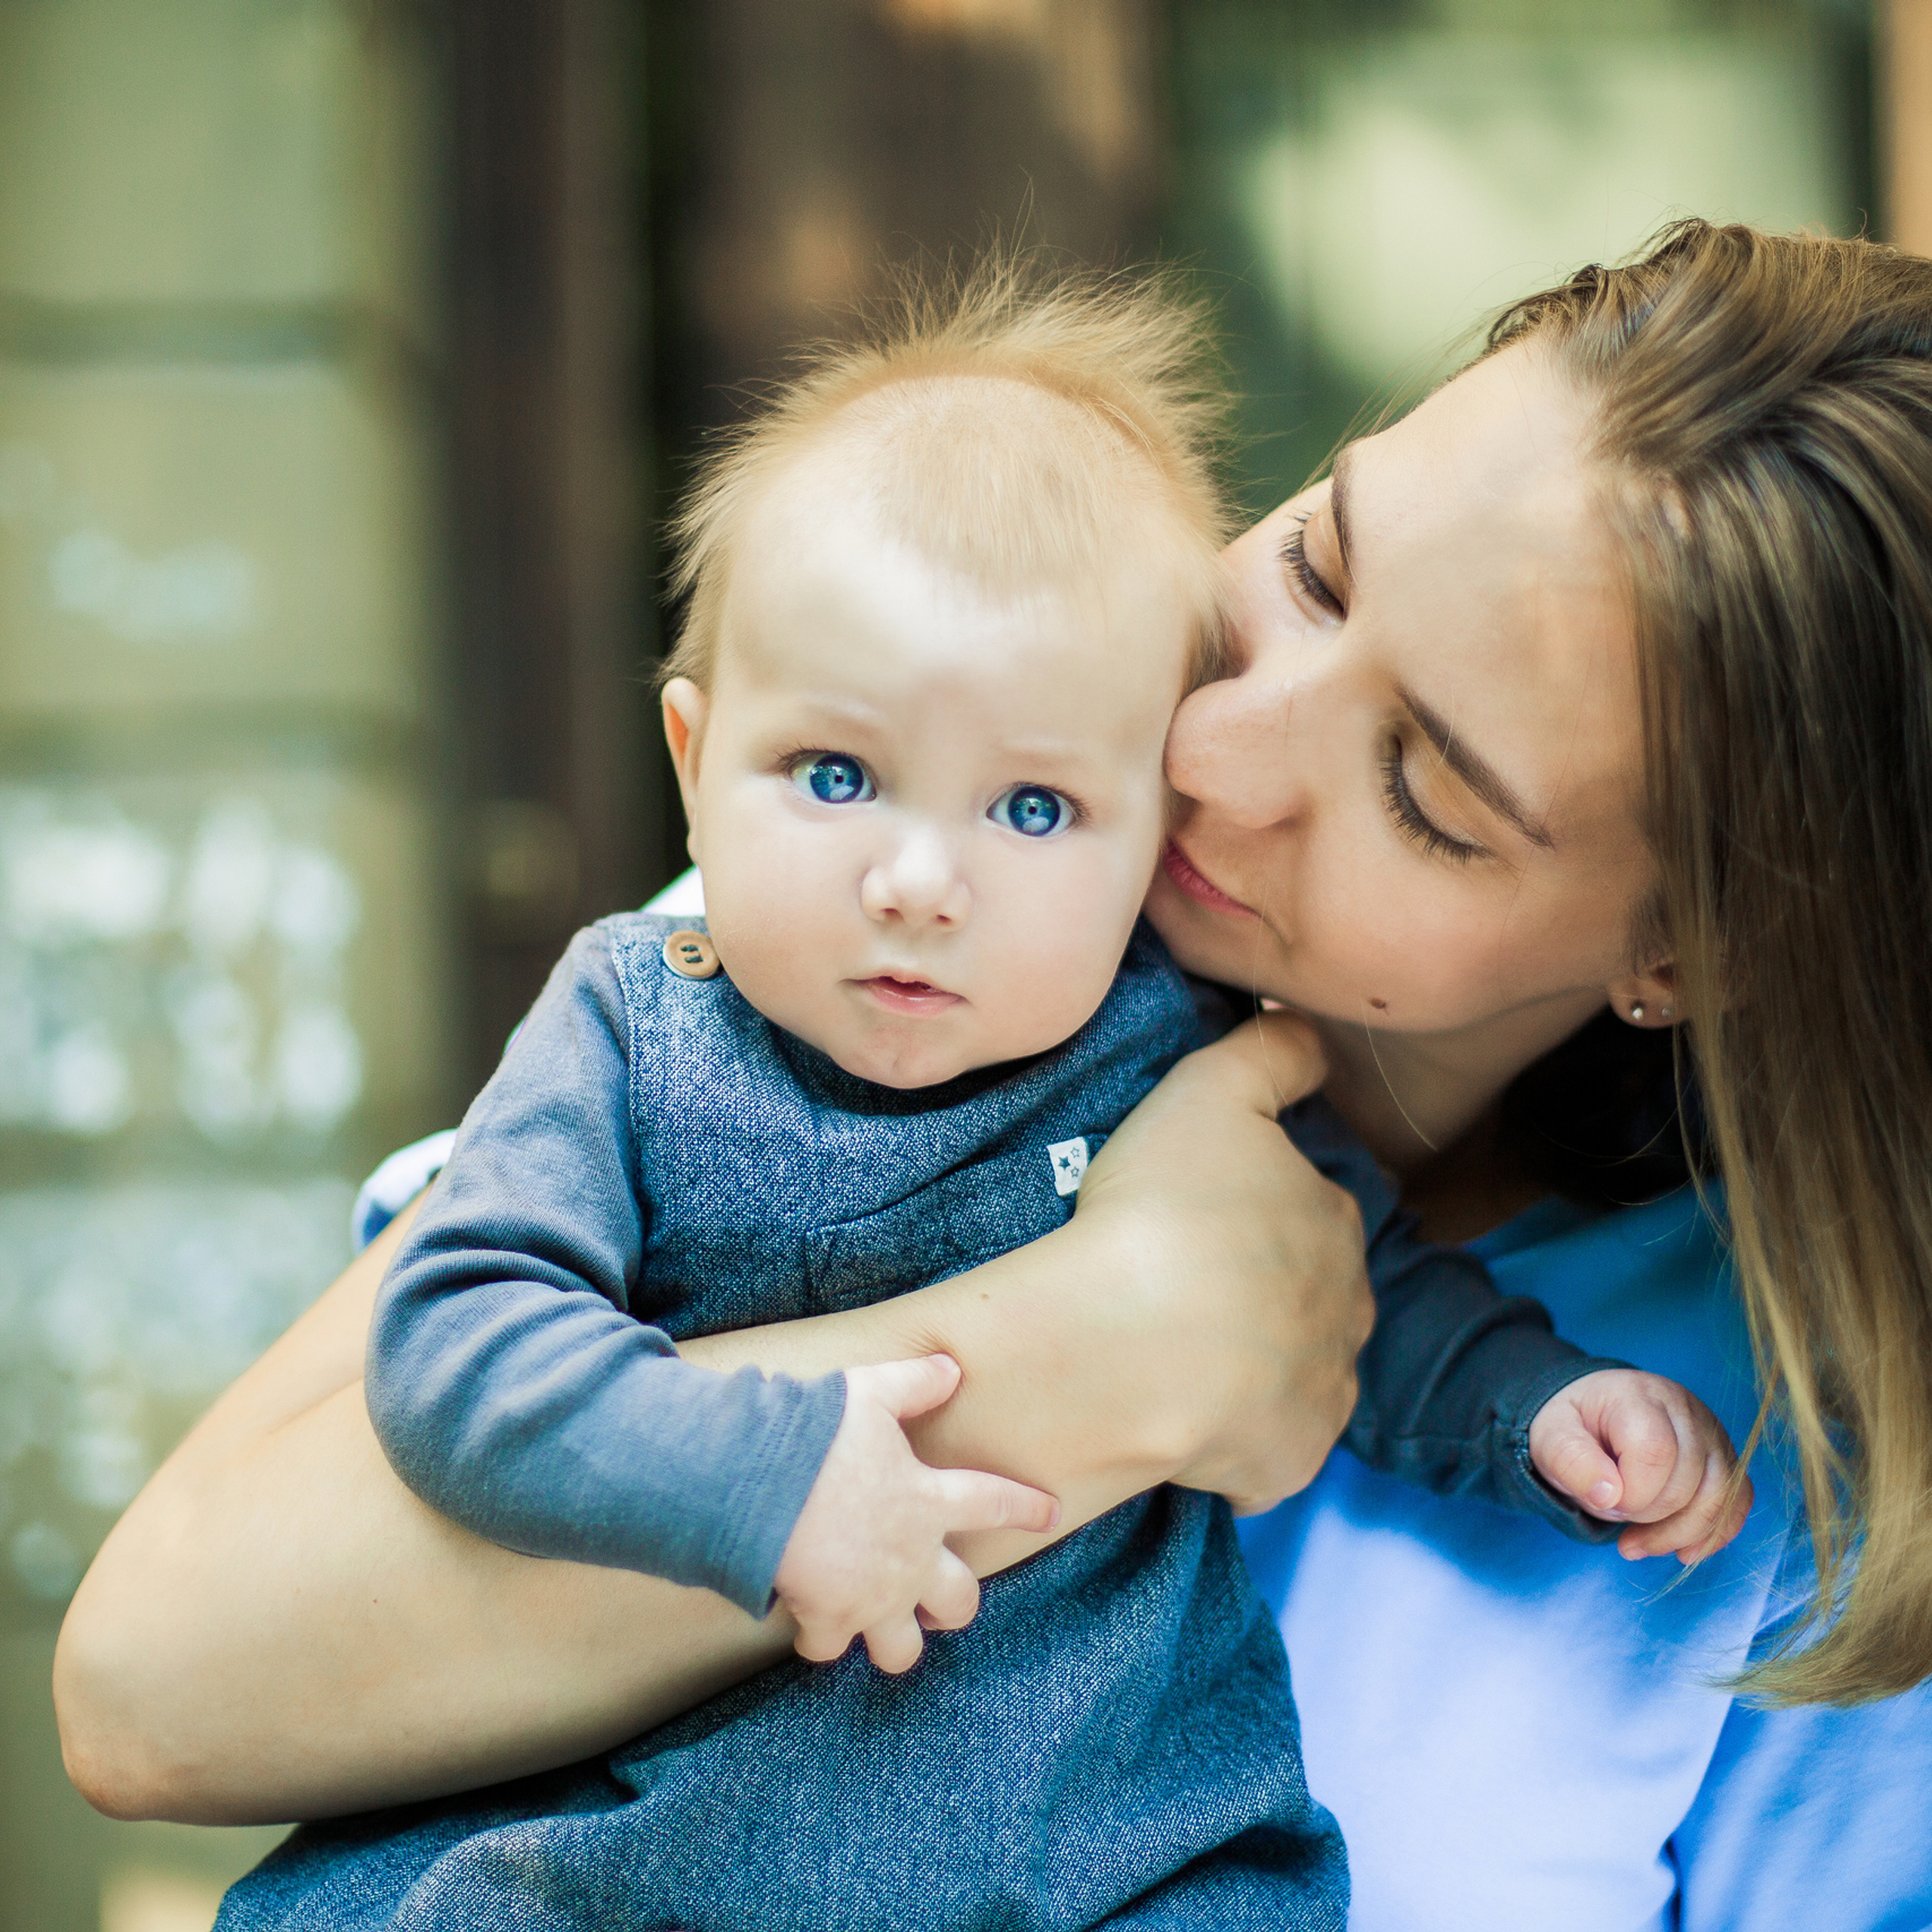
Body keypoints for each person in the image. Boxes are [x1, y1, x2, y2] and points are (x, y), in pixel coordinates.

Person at [52, 221, 1932, 1930]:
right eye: (1310, 561)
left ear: (1680, 952)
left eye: (1423, 792)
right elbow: (155, 1687)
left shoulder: (1798, 1489)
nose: (1206, 738)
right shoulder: (836, 960)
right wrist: (1090, 1347)